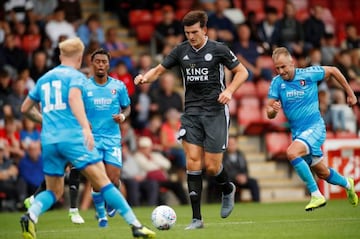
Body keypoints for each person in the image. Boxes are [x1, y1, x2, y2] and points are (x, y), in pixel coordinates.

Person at [19, 37, 155, 239]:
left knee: (55, 191)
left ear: (60, 55)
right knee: (104, 182)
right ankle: (136, 225)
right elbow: (74, 99)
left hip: (48, 140)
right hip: (72, 139)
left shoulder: (45, 78)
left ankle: (31, 215)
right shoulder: (76, 77)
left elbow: (25, 109)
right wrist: (84, 126)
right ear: (81, 57)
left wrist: (45, 122)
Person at [134, 10, 248, 230]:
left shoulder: (219, 49)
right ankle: (197, 219)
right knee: (193, 161)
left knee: (213, 167)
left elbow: (242, 72)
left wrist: (230, 90)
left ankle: (227, 189)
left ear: (204, 30)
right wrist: (144, 78)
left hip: (215, 112)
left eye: (194, 32)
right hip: (192, 113)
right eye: (187, 32)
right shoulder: (181, 50)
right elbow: (159, 70)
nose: (191, 36)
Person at [266, 47, 358, 211]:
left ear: (291, 63)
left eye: (283, 67)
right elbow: (269, 112)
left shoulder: (308, 74)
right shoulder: (277, 83)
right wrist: (273, 110)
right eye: (277, 68)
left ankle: (316, 194)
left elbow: (334, 70)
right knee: (323, 173)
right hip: (298, 133)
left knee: (292, 152)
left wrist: (350, 93)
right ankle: (347, 183)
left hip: (315, 127)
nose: (281, 71)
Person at [83, 48, 132, 228]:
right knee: (97, 179)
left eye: (104, 62)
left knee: (113, 178)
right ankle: (101, 214)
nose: (101, 65)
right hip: (92, 139)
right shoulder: (84, 87)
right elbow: (76, 110)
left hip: (112, 139)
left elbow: (127, 107)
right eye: (98, 61)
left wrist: (123, 117)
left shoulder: (118, 86)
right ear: (92, 63)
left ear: (108, 64)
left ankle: (110, 202)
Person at [223, 135, 260, 202]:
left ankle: (256, 202)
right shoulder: (223, 156)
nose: (232, 146)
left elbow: (245, 169)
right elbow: (225, 171)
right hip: (230, 179)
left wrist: (244, 177)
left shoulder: (240, 155)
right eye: (230, 144)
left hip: (241, 178)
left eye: (233, 144)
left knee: (253, 182)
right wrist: (236, 177)